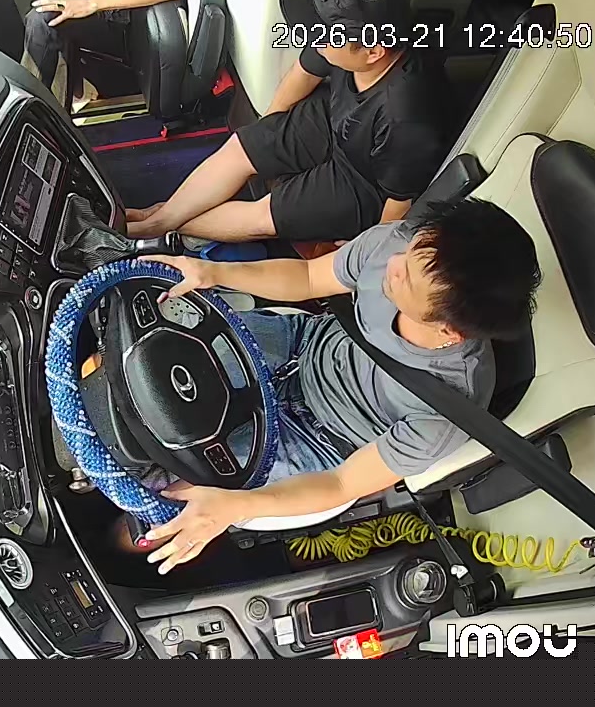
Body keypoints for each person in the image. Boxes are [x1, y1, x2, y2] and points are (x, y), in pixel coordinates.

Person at [114, 198, 542, 574]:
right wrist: (213, 272)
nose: (394, 265)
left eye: (407, 280)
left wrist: (234, 507)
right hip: (303, 344)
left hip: (325, 444)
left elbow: (342, 484)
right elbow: (307, 277)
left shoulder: (447, 411)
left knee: (171, 492)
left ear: (450, 331)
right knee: (150, 357)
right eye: (411, 251)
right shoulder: (399, 246)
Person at [127, 0, 450, 245]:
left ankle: (159, 228)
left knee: (261, 218)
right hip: (333, 116)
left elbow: (398, 203)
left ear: (374, 51)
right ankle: (161, 217)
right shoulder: (346, 39)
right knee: (243, 147)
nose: (316, 40)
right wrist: (268, 132)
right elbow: (303, 73)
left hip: (364, 179)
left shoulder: (406, 118)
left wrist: (366, 249)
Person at [25, 0, 183, 92]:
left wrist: (91, 3)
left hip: (114, 13)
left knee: (43, 21)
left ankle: (27, 119)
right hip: (63, 3)